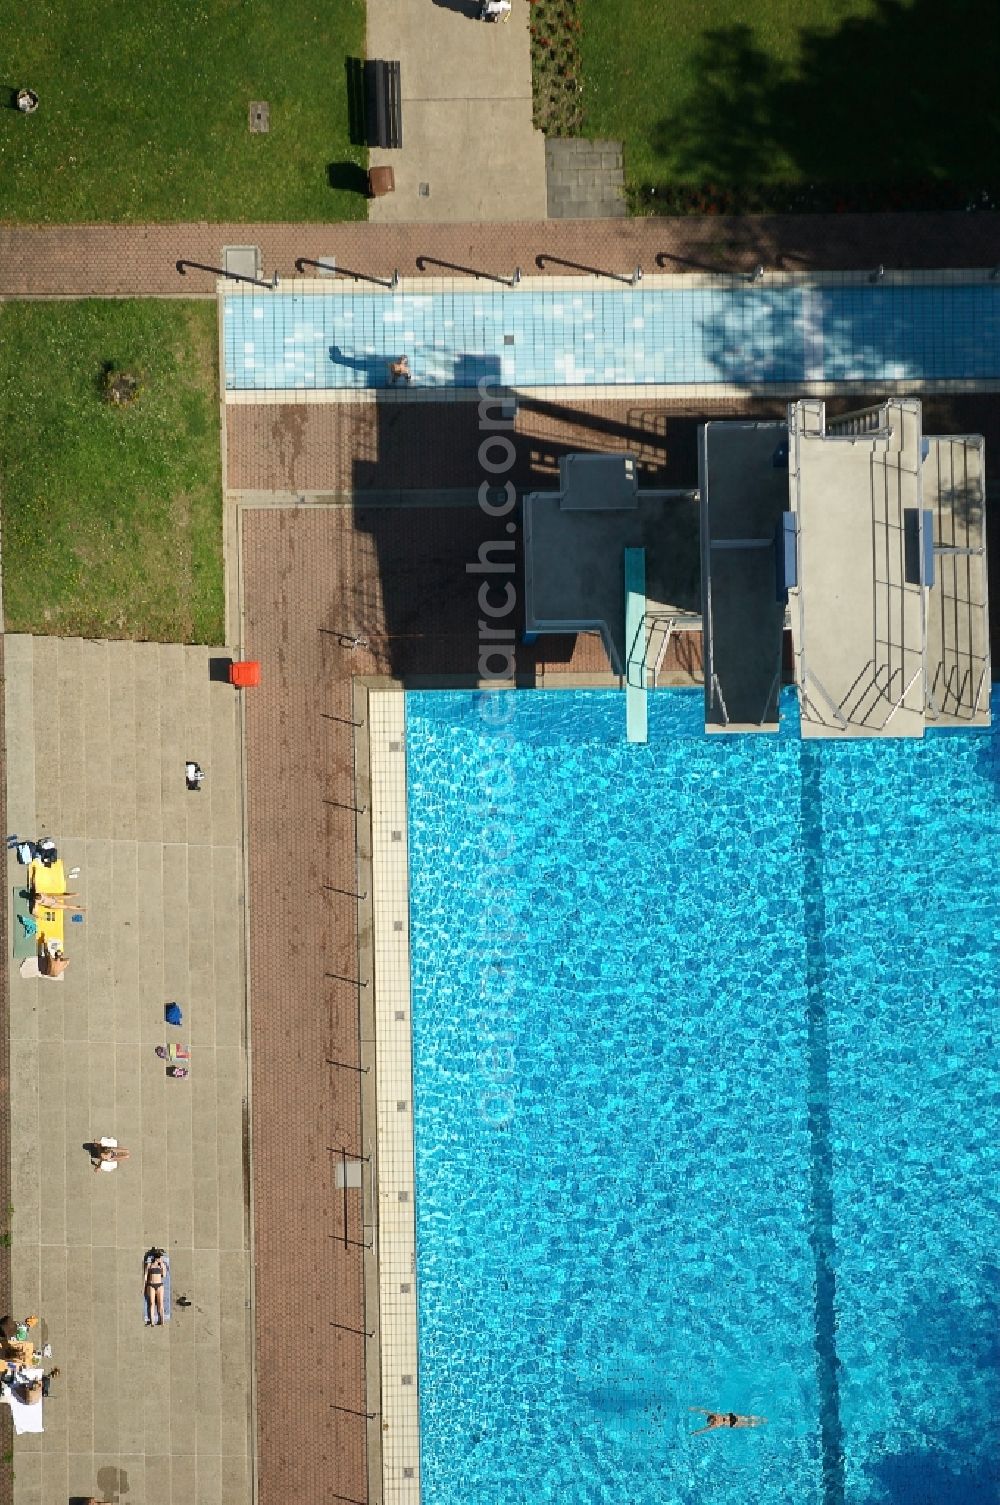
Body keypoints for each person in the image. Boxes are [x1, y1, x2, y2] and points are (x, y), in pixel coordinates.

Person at [689, 1407, 767, 1434]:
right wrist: (695, 1432)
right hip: (732, 1423)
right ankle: (761, 1422)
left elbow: (703, 1410)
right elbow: (704, 1430)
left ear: (711, 1418)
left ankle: (762, 1419)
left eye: (711, 1421)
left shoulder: (714, 1415)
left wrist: (694, 1409)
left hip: (732, 1417)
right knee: (748, 1423)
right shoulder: (714, 1425)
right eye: (711, 1422)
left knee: (748, 1419)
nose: (712, 1422)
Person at [144, 1250, 168, 1325]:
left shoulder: (162, 1265)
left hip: (160, 1285)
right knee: (152, 1303)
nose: (161, 1259)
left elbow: (164, 1275)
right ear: (157, 1258)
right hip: (151, 1285)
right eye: (160, 1258)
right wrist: (143, 1287)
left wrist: (162, 1266)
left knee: (160, 1303)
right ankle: (152, 1322)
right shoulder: (149, 1265)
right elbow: (145, 1276)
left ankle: (162, 1321)